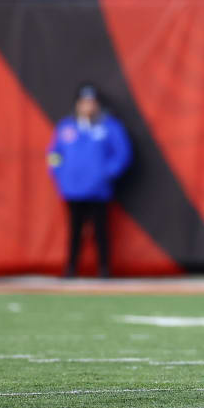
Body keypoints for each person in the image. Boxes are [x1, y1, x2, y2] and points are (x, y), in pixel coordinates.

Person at [47, 84, 132, 278]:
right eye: (84, 102)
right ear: (77, 104)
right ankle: (71, 268)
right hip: (72, 189)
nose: (87, 106)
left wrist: (106, 174)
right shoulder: (66, 127)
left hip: (98, 190)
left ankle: (104, 269)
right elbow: (54, 154)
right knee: (74, 231)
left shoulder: (109, 126)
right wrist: (61, 175)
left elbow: (122, 154)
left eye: (91, 103)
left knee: (101, 231)